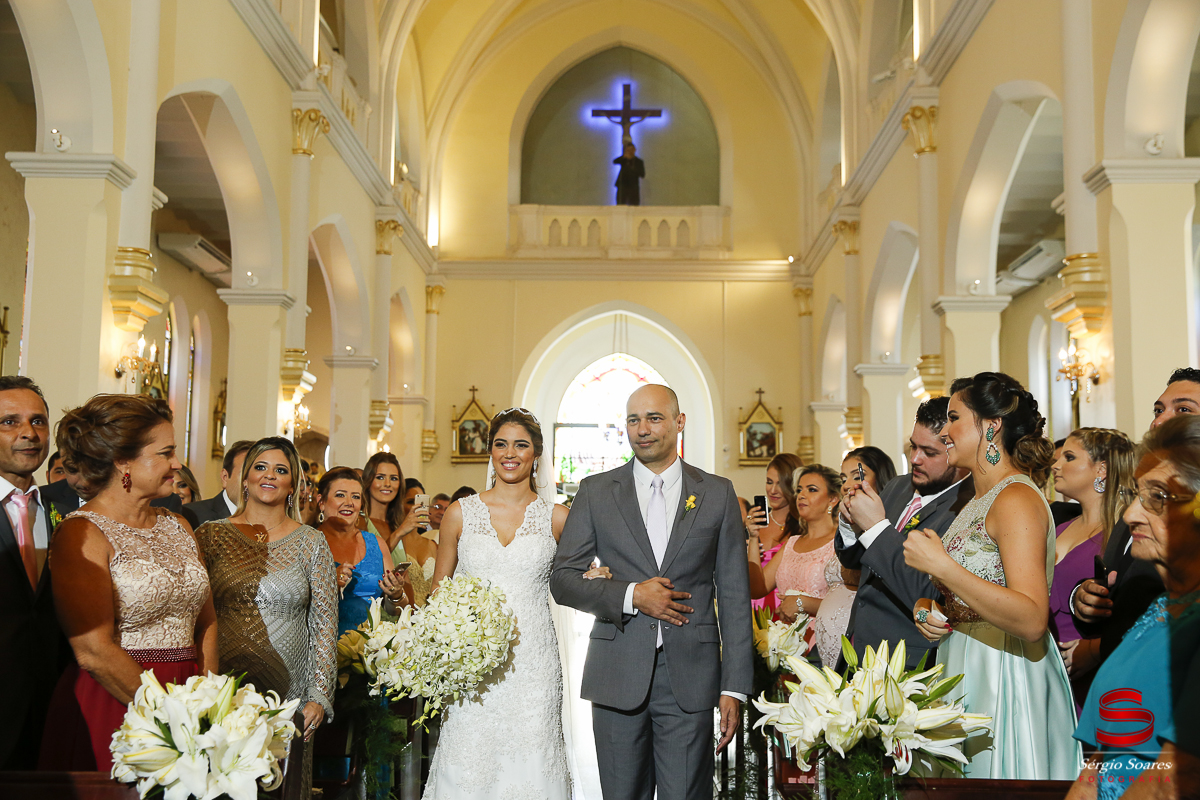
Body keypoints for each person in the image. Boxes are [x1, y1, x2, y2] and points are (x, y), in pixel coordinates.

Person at [551, 385, 753, 800]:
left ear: (679, 422)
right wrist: (630, 596)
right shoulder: (596, 491)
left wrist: (733, 687)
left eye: (654, 418)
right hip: (616, 670)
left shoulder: (717, 494)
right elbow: (563, 579)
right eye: (633, 420)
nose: (642, 429)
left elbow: (734, 595)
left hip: (691, 676)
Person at [906, 372, 1081, 779]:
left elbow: (1032, 618)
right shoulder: (976, 500)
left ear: (991, 426)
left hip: (1005, 670)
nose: (945, 431)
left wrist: (942, 567)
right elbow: (969, 593)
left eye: (954, 418)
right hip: (964, 660)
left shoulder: (1015, 497)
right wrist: (927, 608)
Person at [44, 394, 217, 771]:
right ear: (123, 461)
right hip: (119, 698)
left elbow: (206, 620)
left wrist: (210, 702)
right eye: (166, 453)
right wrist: (171, 718)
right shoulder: (80, 533)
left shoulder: (178, 525)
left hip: (189, 690)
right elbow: (93, 651)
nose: (177, 464)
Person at [424, 408, 573, 799]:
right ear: (490, 451)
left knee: (532, 761)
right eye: (501, 444)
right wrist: (454, 638)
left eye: (520, 445)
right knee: (470, 757)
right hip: (472, 662)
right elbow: (439, 593)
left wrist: (598, 575)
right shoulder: (460, 514)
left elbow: (579, 577)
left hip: (534, 663)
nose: (510, 453)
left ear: (536, 453)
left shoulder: (558, 518)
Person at [1066, 415, 1200, 799]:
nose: (1130, 515)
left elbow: (1174, 780)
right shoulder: (1160, 610)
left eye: (1157, 497)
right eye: (1136, 495)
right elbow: (1102, 758)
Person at [196, 436, 337, 794]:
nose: (269, 475)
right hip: (222, 688)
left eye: (280, 470)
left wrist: (319, 695)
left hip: (290, 692)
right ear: (245, 479)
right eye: (260, 467)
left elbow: (324, 623)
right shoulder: (211, 536)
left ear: (293, 485)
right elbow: (194, 615)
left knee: (281, 787)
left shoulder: (311, 542)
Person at [838, 395, 973, 670]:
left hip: (907, 661)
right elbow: (855, 561)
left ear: (957, 450)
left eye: (929, 452)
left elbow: (929, 592)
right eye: (913, 446)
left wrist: (875, 528)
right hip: (860, 647)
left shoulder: (967, 508)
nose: (915, 459)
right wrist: (849, 523)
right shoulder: (897, 486)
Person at [1071, 371, 1188, 670]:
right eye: (1158, 410)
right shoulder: (1137, 505)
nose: (1160, 421)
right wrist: (1084, 599)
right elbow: (1123, 585)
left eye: (1183, 409)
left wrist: (1096, 650)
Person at [0, 377, 63, 769]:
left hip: (48, 702)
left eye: (38, 421)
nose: (29, 433)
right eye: (10, 422)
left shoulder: (62, 512)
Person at [1049, 428, 1135, 708]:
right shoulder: (1058, 527)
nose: (1056, 465)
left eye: (1069, 457)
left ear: (1102, 469)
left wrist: (1095, 651)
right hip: (1045, 666)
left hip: (1092, 672)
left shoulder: (1123, 534)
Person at [811, 447, 897, 669]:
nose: (846, 485)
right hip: (838, 638)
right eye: (843, 479)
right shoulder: (847, 526)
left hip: (869, 635)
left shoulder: (891, 528)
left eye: (857, 476)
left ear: (881, 477)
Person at [749, 465, 841, 640]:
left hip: (823, 640)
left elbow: (849, 604)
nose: (801, 495)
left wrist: (802, 603)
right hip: (786, 643)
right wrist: (753, 538)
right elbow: (757, 589)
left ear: (833, 499)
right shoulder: (791, 544)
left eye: (811, 489)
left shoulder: (841, 544)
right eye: (799, 490)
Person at [316, 467, 410, 634]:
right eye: (340, 495)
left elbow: (394, 611)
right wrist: (328, 584)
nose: (349, 502)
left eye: (355, 497)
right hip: (323, 642)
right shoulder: (307, 542)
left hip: (369, 644)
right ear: (321, 502)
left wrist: (396, 595)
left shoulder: (377, 544)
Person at [363, 452, 434, 605]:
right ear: (368, 481)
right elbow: (368, 565)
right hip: (368, 607)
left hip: (396, 609)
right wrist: (400, 532)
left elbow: (405, 581)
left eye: (394, 478)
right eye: (380, 477)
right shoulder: (361, 521)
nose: (387, 484)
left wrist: (412, 613)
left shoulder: (394, 524)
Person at [744, 452, 803, 613]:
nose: (773, 490)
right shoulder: (753, 525)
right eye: (769, 482)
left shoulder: (803, 528)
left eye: (780, 484)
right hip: (751, 605)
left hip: (786, 609)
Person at [185, 438, 253, 525]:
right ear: (225, 477)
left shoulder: (269, 519)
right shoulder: (190, 515)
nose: (254, 481)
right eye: (246, 474)